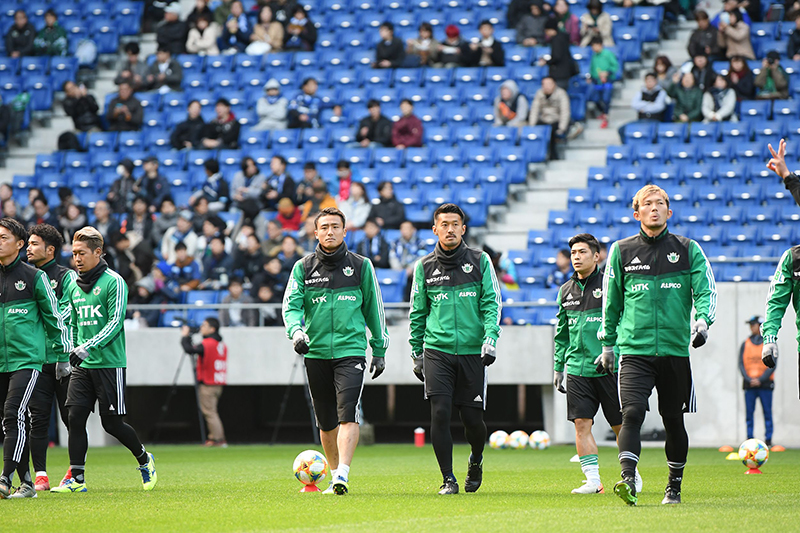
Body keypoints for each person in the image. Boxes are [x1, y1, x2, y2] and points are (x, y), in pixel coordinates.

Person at [599, 184, 717, 506]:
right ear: (636, 213)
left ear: (669, 211)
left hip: (675, 351)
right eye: (648, 204)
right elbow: (612, 301)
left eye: (661, 203)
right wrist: (608, 344)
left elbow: (706, 289)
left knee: (672, 420)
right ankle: (628, 480)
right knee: (633, 412)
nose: (655, 208)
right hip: (634, 351)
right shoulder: (621, 251)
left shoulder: (688, 248)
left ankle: (673, 487)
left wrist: (703, 319)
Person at [282, 207, 389, 495]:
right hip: (315, 353)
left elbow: (374, 310)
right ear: (315, 233)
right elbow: (290, 307)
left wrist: (379, 349)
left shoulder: (361, 266)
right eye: (324, 227)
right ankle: (332, 476)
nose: (330, 232)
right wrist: (297, 333)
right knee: (326, 422)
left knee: (347, 415)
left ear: (345, 231)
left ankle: (342, 474)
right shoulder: (303, 267)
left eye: (335, 227)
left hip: (351, 351)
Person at [52, 227, 157, 494]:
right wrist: (72, 349)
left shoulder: (115, 282)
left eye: (82, 253)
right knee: (74, 417)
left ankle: (144, 459)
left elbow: (115, 322)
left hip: (109, 363)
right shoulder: (73, 285)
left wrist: (87, 347)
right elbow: (73, 322)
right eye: (74, 253)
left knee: (112, 424)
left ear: (98, 252)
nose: (76, 258)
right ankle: (77, 479)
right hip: (83, 365)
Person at [408, 203, 502, 495]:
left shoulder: (480, 260)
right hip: (438, 350)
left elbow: (491, 304)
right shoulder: (423, 267)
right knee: (440, 412)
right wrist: (416, 352)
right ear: (435, 229)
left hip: (474, 350)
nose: (449, 229)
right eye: (444, 224)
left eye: (455, 224)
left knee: (472, 420)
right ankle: (448, 479)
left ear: (463, 228)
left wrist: (490, 339)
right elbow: (417, 312)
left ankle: (476, 458)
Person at [554, 233, 641, 495]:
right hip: (578, 369)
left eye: (582, 252)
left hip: (609, 367)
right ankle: (593, 481)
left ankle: (631, 474)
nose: (577, 257)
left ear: (597, 256)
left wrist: (616, 351)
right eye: (573, 253)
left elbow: (626, 321)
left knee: (619, 425)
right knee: (582, 424)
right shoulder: (565, 291)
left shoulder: (611, 286)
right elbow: (561, 334)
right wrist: (559, 367)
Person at [0, 218, 71, 498]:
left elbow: (56, 320)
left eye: (3, 237)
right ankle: (27, 482)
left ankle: (4, 478)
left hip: (27, 361)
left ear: (19, 244)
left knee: (13, 414)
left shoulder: (34, 277)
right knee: (10, 423)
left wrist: (63, 357)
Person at [25, 224, 77, 492]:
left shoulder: (65, 277)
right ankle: (41, 476)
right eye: (28, 243)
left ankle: (73, 472)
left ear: (50, 249)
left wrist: (62, 352)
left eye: (34, 244)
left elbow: (66, 313)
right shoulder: (25, 276)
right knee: (38, 419)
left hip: (63, 360)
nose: (28, 248)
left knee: (72, 419)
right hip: (36, 360)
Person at [181, 318, 228, 446]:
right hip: (218, 382)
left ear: (212, 329)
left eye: (204, 325)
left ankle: (219, 439)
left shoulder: (208, 343)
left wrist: (185, 337)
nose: (202, 328)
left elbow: (189, 349)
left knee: (210, 412)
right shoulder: (221, 344)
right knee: (212, 411)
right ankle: (213, 438)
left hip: (208, 383)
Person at [737, 316, 776, 448]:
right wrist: (749, 379)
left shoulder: (769, 344)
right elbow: (741, 364)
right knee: (749, 413)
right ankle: (749, 439)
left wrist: (760, 380)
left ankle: (768, 440)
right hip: (749, 385)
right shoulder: (745, 344)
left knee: (767, 412)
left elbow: (773, 365)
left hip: (765, 385)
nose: (752, 327)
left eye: (754, 325)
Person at [529, 76, 572, 160]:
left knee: (550, 133)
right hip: (544, 120)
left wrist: (562, 128)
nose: (546, 86)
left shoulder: (561, 93)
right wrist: (531, 126)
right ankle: (536, 156)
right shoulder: (539, 93)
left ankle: (553, 157)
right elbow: (534, 110)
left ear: (554, 84)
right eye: (544, 84)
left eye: (549, 84)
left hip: (556, 121)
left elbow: (565, 112)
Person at [587, 36, 618, 129]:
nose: (593, 48)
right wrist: (591, 77)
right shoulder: (594, 56)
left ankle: (606, 117)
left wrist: (607, 73)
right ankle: (603, 113)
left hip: (607, 81)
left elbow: (615, 66)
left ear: (599, 45)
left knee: (606, 99)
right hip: (597, 81)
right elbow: (592, 68)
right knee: (595, 99)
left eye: (594, 46)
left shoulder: (608, 54)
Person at [541, 18, 575, 90]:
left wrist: (547, 62)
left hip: (559, 73)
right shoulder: (563, 38)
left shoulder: (556, 40)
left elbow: (557, 56)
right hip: (566, 72)